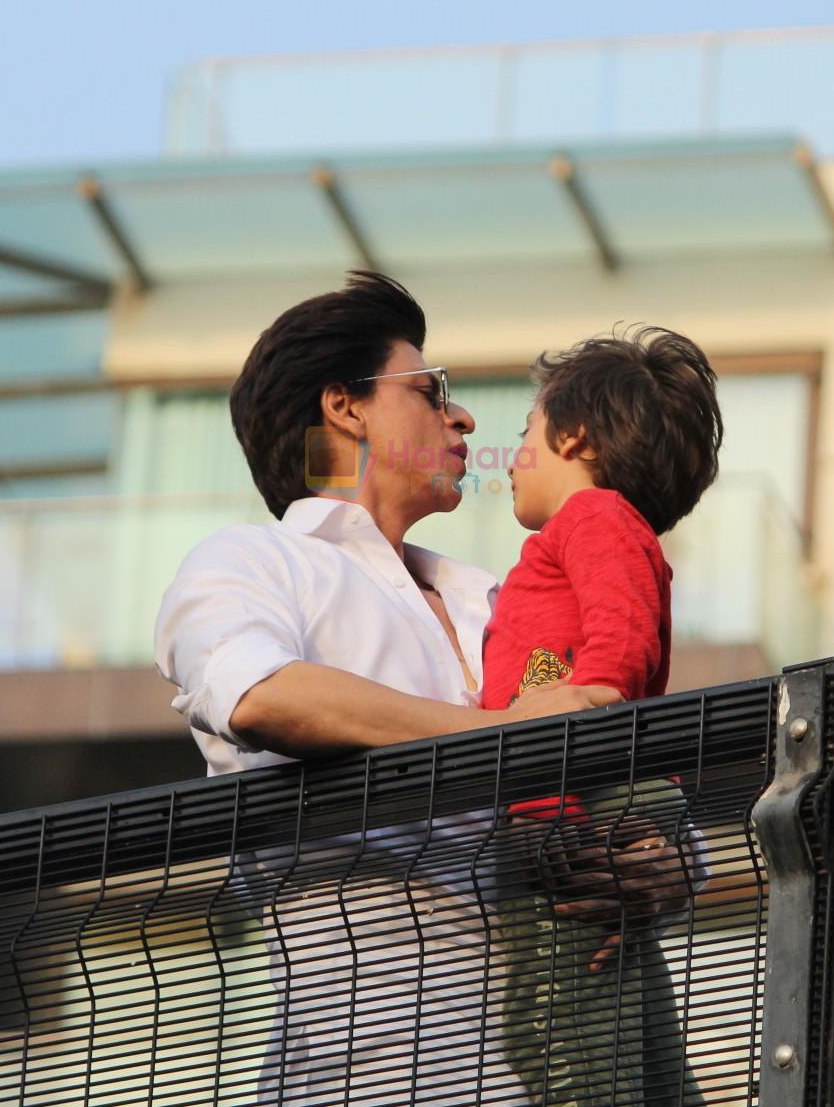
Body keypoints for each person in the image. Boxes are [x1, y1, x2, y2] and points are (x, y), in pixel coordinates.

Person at [154, 273, 697, 1106]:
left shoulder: (500, 593)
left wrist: (667, 865)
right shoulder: (254, 564)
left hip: (562, 1067)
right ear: (348, 407)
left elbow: (623, 753)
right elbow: (258, 694)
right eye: (431, 390)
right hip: (368, 1076)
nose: (465, 418)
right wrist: (508, 739)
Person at [480, 327, 723, 1107]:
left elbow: (619, 634)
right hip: (595, 802)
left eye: (524, 436)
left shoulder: (593, 518)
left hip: (571, 804)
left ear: (572, 433)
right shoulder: (606, 528)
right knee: (625, 1010)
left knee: (557, 1029)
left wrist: (594, 695)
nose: (512, 456)